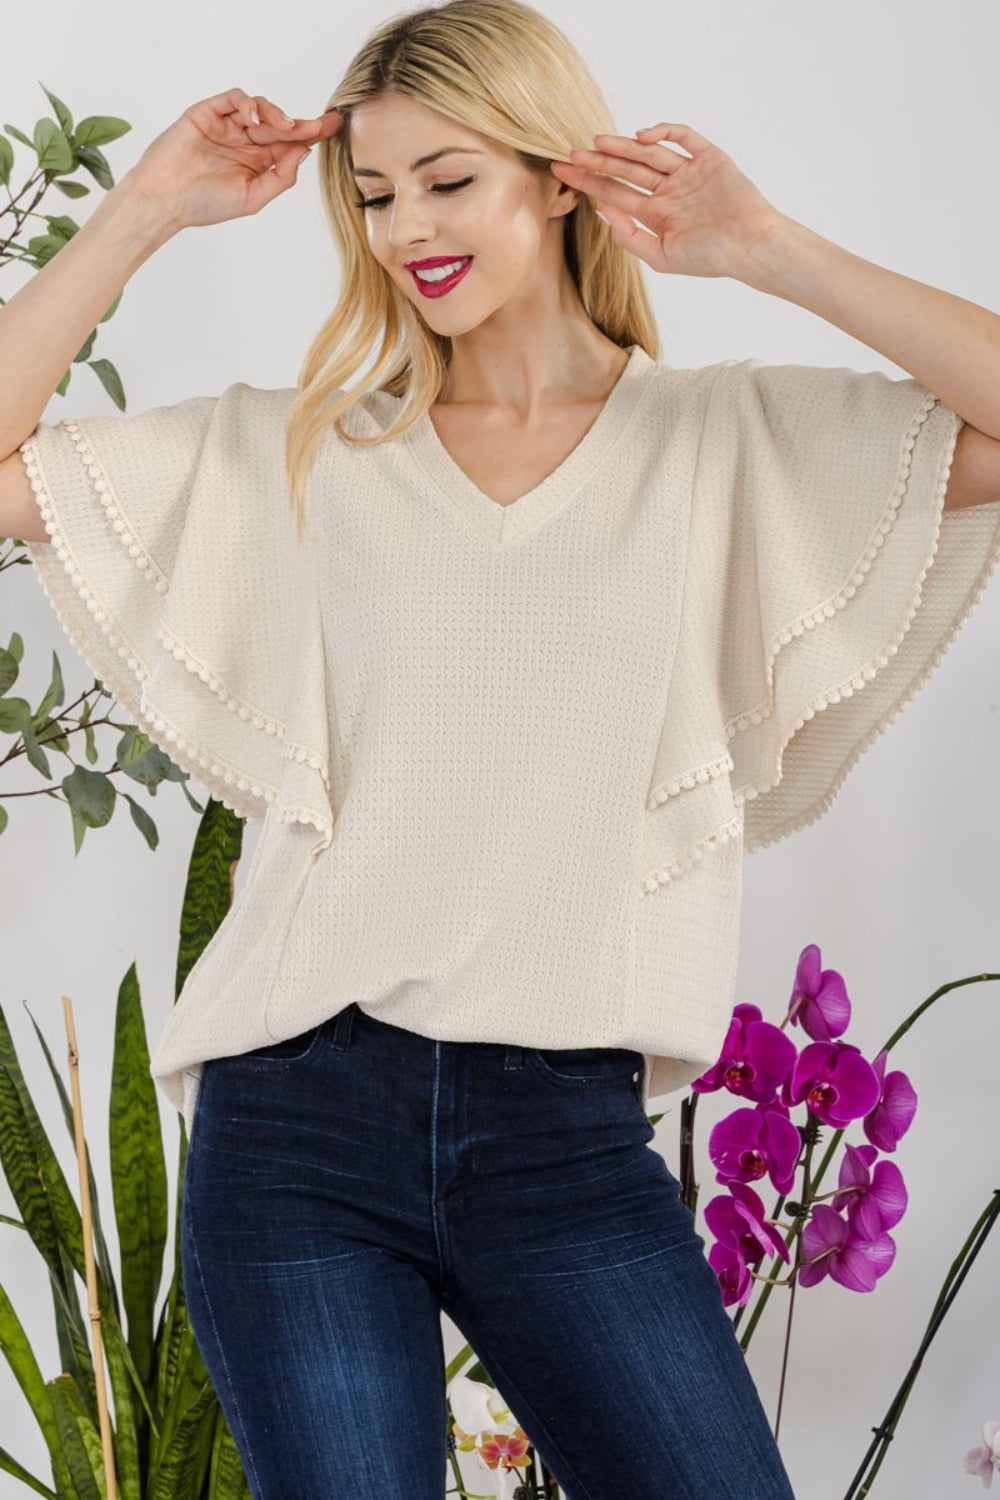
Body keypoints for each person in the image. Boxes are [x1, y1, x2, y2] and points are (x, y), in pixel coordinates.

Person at [3, 1, 1000, 1495]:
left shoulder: (722, 443)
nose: (407, 228)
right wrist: (141, 211)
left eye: (448, 179)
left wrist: (765, 246)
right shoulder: (309, 451)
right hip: (299, 1132)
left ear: (559, 174)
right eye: (375, 194)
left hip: (568, 1143)